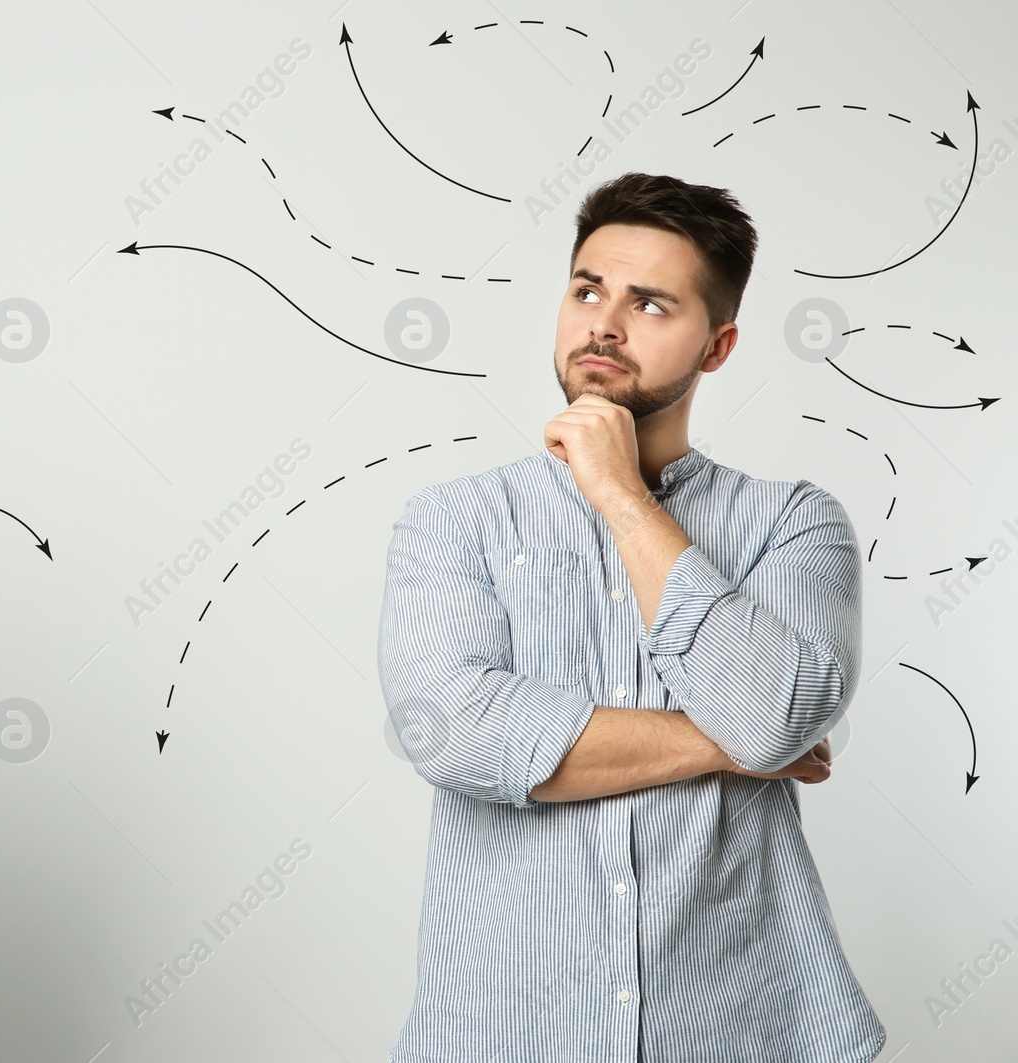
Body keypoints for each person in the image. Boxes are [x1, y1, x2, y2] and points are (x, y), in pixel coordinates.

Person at [378, 173, 886, 1062]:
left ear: (717, 346)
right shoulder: (453, 519)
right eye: (587, 290)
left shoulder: (793, 524)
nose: (603, 323)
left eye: (650, 304)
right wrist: (737, 738)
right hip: (507, 1030)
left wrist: (617, 493)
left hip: (742, 1028)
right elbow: (452, 731)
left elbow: (778, 712)